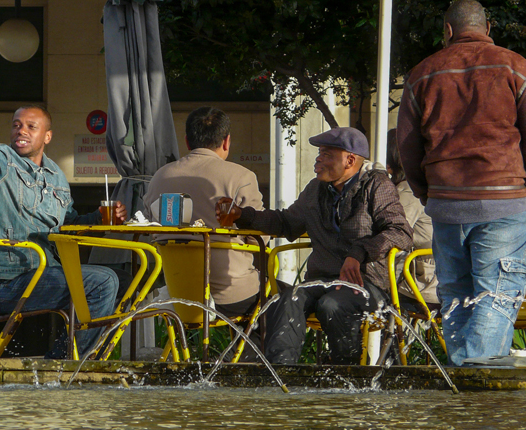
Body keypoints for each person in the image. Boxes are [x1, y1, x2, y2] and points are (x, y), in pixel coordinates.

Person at [0, 104, 124, 358]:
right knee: (103, 282)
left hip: (45, 276)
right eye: (16, 125)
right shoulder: (1, 162)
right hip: (4, 284)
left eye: (31, 126)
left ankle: (74, 354)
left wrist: (98, 218)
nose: (21, 131)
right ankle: (65, 364)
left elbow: (67, 227)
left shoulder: (56, 176)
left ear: (47, 136)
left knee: (126, 279)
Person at [397, 0, 526, 366]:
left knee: (456, 297)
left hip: (446, 203)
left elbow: (407, 146)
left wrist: (428, 193)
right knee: (496, 295)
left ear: (448, 31)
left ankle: (459, 379)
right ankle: (472, 385)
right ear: (488, 29)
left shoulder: (423, 73)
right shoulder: (515, 67)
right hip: (504, 199)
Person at [218, 127, 412, 365]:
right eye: (319, 153)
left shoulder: (376, 186)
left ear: (350, 160)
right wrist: (242, 215)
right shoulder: (315, 190)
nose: (318, 160)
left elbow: (400, 232)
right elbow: (286, 222)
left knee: (331, 305)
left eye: (326, 155)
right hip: (322, 280)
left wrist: (359, 252)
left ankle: (349, 373)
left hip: (366, 284)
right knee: (287, 299)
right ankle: (280, 373)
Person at [143, 106, 266, 320]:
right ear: (226, 141)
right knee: (285, 302)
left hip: (178, 294)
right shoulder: (242, 177)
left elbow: (148, 227)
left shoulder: (160, 177)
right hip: (231, 296)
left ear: (187, 142)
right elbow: (259, 239)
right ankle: (251, 343)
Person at [385, 128, 438, 308]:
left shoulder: (407, 191)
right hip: (439, 277)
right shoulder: (426, 184)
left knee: (369, 296)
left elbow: (392, 235)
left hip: (424, 285)